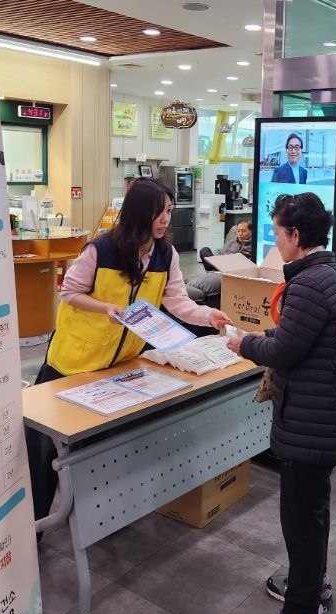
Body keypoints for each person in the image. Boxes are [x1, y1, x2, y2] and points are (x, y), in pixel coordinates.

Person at [27, 178, 232, 523]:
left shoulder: (165, 255)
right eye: (159, 212)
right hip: (72, 362)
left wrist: (208, 316)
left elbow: (177, 301)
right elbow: (69, 292)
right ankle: (35, 527)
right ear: (139, 213)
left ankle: (94, 522)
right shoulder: (101, 250)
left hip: (119, 365)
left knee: (97, 450)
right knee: (45, 449)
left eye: (169, 211)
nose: (166, 219)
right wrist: (104, 307)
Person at [227, 192, 336, 614]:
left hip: (311, 426)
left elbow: (284, 351)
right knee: (312, 514)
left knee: (301, 521)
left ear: (296, 235)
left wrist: (243, 343)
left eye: (279, 233)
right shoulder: (326, 274)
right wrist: (266, 335)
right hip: (322, 420)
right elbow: (297, 336)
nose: (275, 241)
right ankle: (311, 584)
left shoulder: (308, 284)